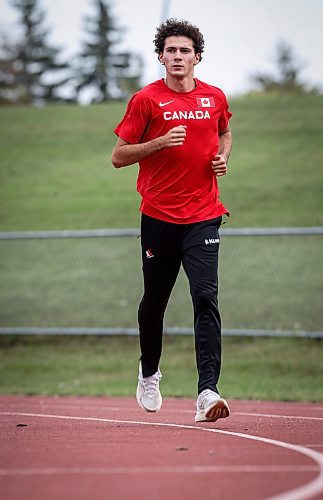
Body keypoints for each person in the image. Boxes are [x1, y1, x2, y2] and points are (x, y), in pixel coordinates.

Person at [111, 18, 232, 423]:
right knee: (155, 302)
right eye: (170, 50)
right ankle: (149, 371)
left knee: (205, 297)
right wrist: (160, 142)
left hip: (204, 215)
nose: (177, 57)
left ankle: (207, 392)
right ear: (161, 56)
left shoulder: (214, 97)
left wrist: (223, 156)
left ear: (197, 57)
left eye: (185, 50)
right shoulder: (146, 100)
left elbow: (225, 132)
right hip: (159, 216)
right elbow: (118, 156)